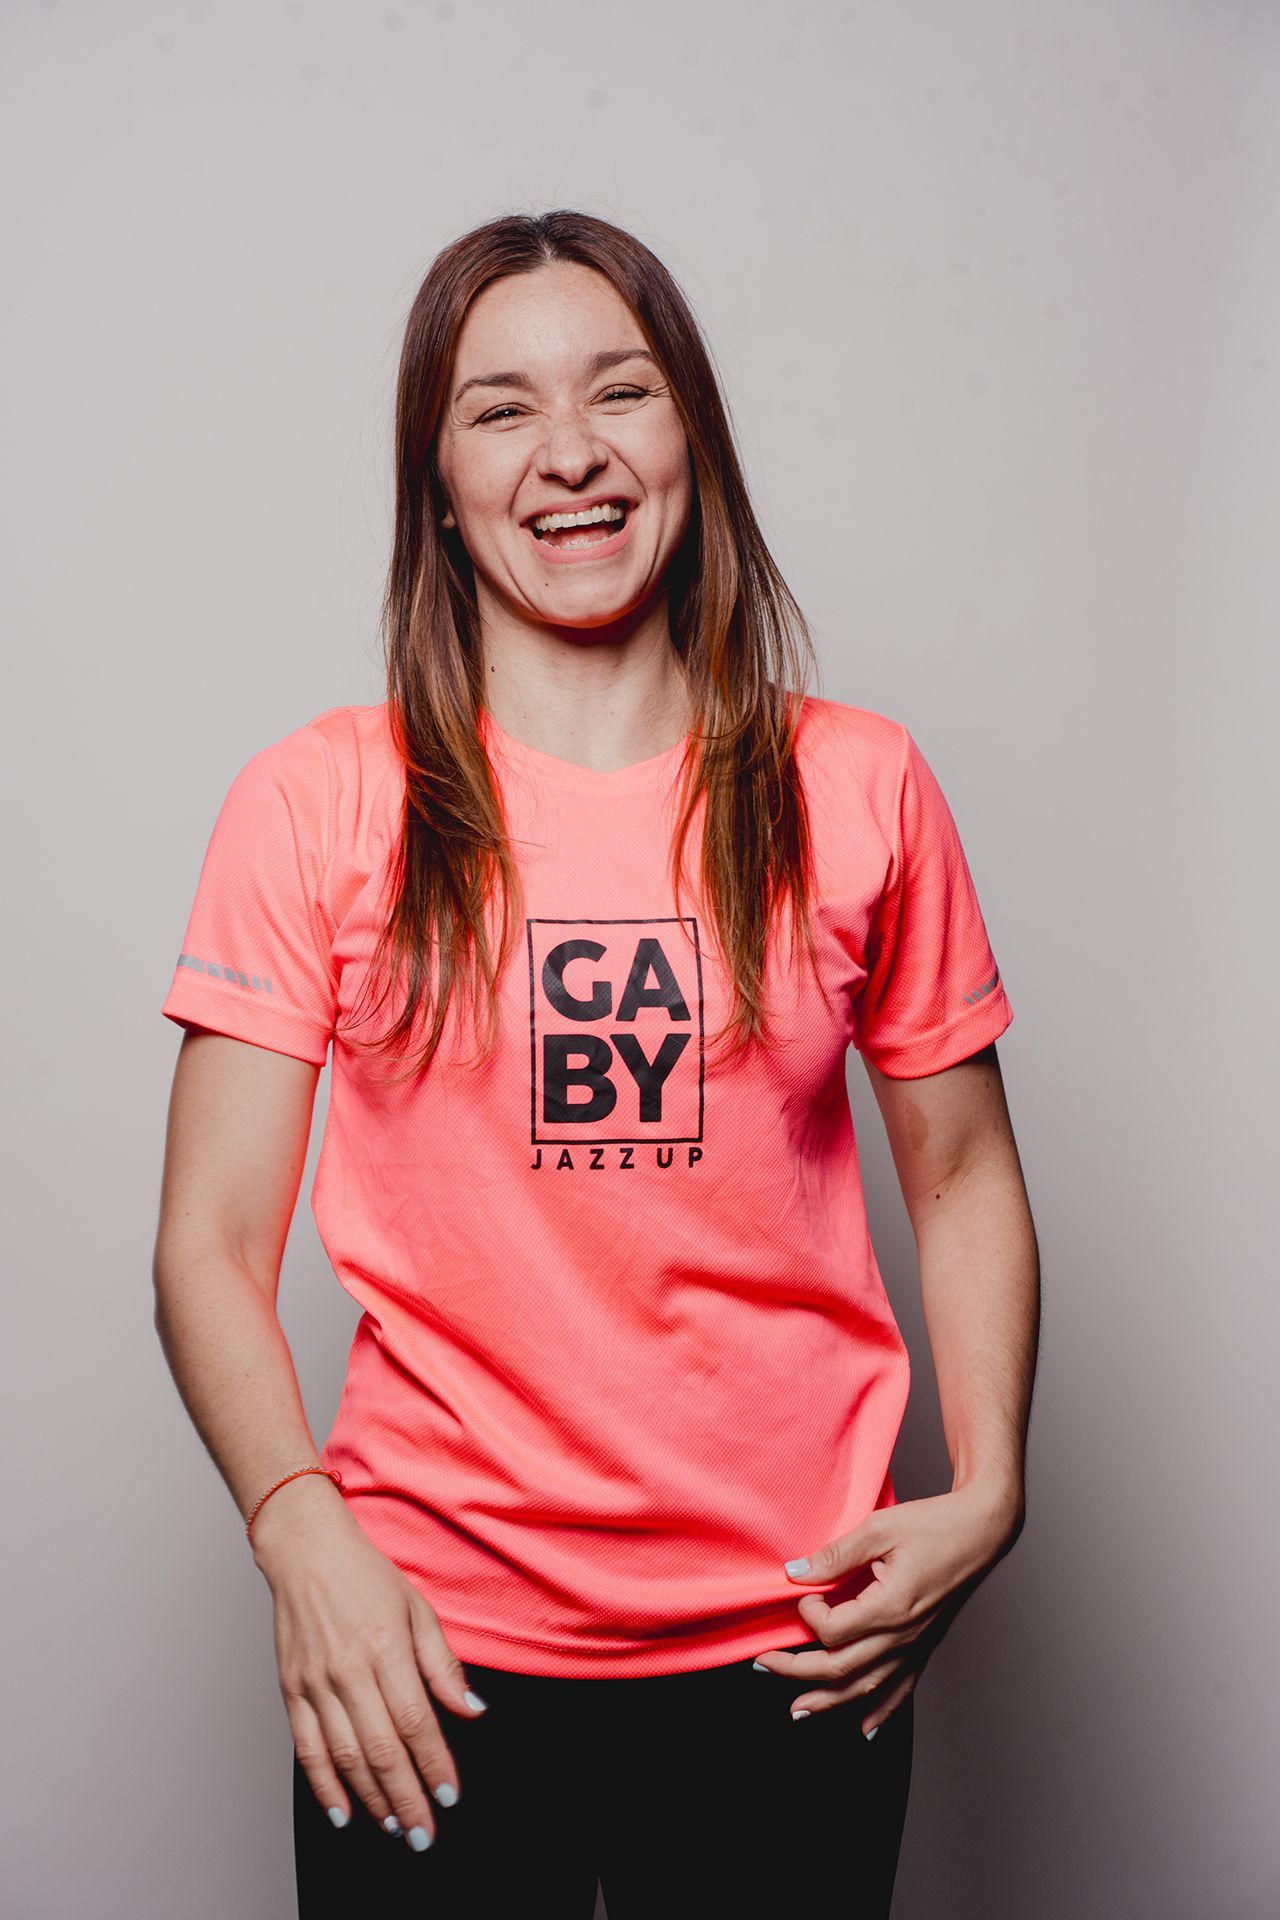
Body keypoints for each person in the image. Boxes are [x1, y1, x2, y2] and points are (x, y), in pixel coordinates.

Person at [153, 209, 1039, 1919]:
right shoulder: (318, 801)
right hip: (423, 1652)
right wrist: (297, 1531)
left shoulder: (860, 786)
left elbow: (966, 1174)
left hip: (801, 1647)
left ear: (692, 433)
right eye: (500, 409)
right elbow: (206, 1241)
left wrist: (990, 1485)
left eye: (620, 392)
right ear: (436, 483)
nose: (570, 453)